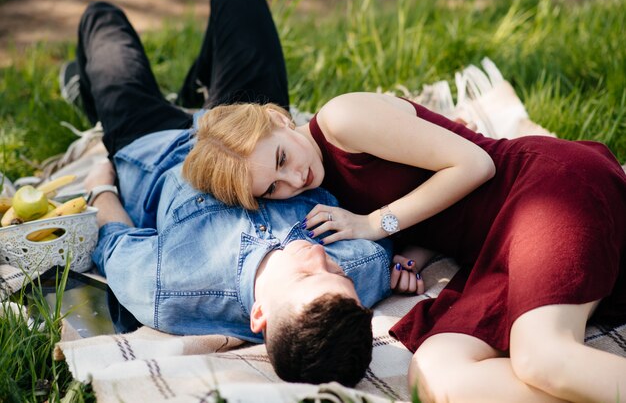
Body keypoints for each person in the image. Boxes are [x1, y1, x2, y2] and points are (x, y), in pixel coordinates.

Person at [71, 0, 425, 387]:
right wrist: (408, 262)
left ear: (260, 315)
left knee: (101, 17)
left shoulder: (168, 290)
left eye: (306, 277)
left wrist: (101, 188)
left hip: (154, 148)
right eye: (334, 270)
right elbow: (398, 229)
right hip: (247, 127)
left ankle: (94, 94)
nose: (317, 256)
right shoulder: (360, 269)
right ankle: (196, 88)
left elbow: (115, 241)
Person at [183, 84, 626, 400]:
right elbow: (437, 207)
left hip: (540, 190)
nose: (293, 180)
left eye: (281, 158)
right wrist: (411, 258)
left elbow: (475, 165)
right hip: (496, 246)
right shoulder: (322, 187)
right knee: (434, 376)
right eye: (273, 188)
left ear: (280, 119)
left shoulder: (343, 119)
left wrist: (376, 224)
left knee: (542, 358)